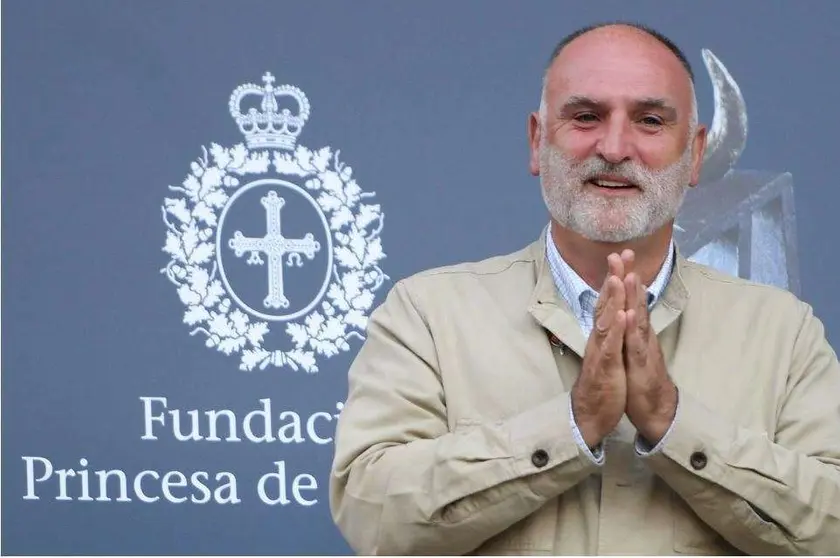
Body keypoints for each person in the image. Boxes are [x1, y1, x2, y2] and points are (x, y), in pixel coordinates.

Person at [329, 21, 840, 555]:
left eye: (649, 120)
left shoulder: (784, 333)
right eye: (586, 117)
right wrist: (571, 425)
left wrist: (672, 422)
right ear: (536, 141)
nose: (615, 147)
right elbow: (373, 516)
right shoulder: (427, 315)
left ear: (693, 155)